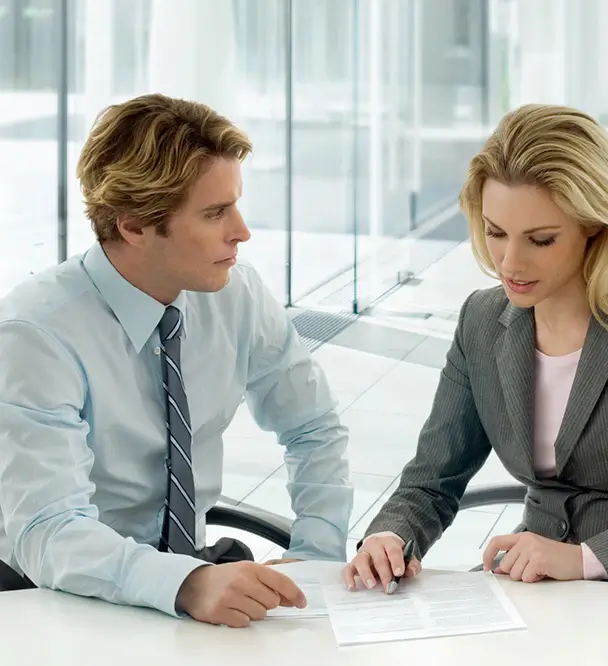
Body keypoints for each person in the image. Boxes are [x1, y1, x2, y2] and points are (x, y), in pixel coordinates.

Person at [342, 104, 608, 592]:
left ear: (594, 226)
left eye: (541, 240)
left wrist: (585, 558)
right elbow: (431, 480)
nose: (509, 262)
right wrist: (389, 535)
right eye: (495, 232)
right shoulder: (482, 322)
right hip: (536, 591)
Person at [0, 93, 353, 628]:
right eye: (214, 213)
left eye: (236, 204)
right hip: (52, 593)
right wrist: (185, 584)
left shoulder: (236, 294)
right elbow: (50, 529)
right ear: (134, 225)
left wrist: (317, 556)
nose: (242, 231)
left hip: (190, 577)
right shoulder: (36, 334)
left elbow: (314, 426)